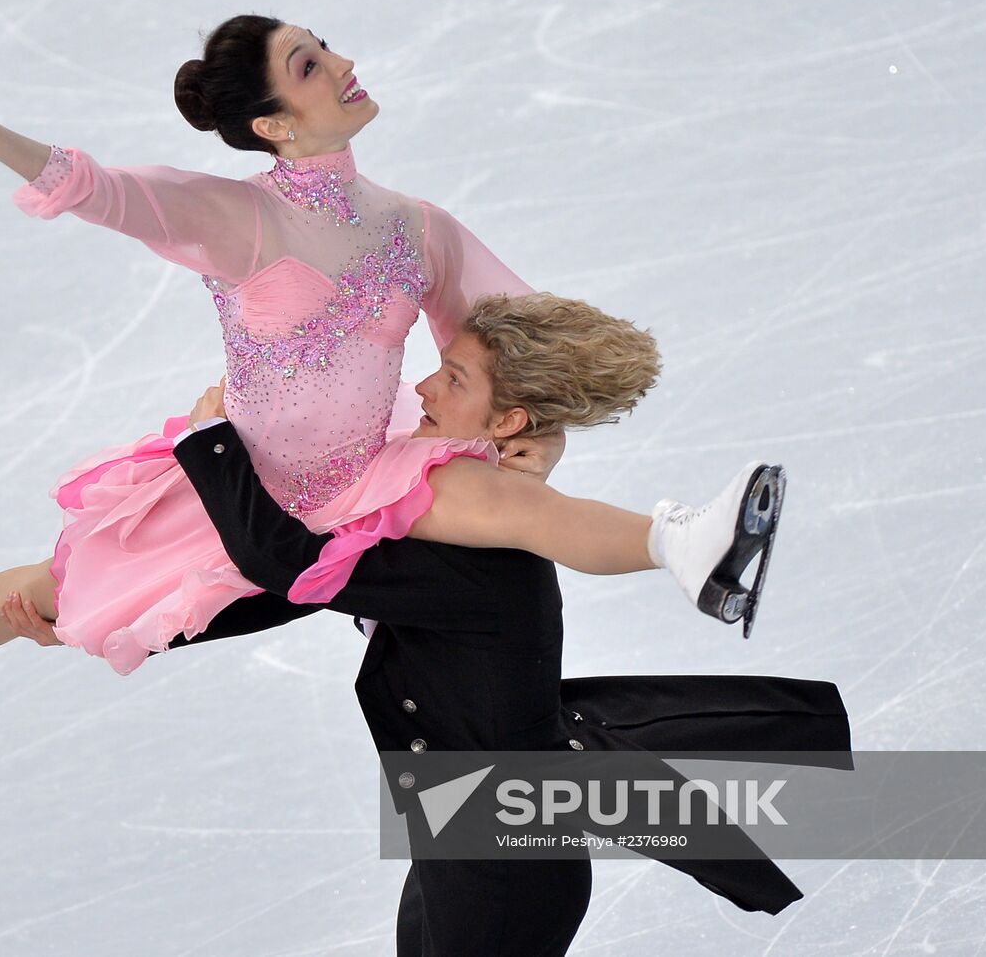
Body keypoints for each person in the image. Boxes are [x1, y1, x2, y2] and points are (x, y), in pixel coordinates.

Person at [0, 17, 781, 732]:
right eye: (308, 64)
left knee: (507, 505)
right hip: (233, 491)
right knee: (49, 595)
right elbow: (98, 188)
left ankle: (682, 544)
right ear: (273, 123)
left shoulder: (416, 228)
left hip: (362, 480)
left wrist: (537, 437)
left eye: (323, 46)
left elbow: (509, 345)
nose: (340, 63)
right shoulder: (238, 220)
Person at [153, 293, 849, 953]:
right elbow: (297, 590)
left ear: (508, 422)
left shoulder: (473, 558)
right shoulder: (447, 518)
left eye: (453, 379)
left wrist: (215, 445)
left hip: (502, 866)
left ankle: (686, 544)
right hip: (463, 836)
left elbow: (289, 565)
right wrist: (123, 628)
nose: (424, 388)